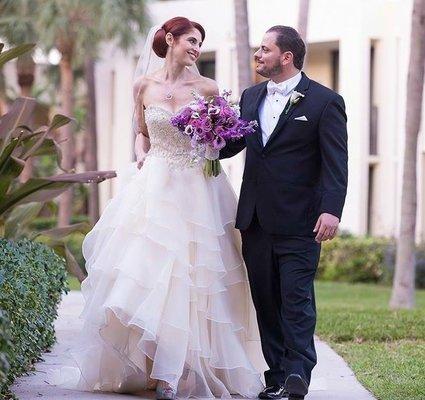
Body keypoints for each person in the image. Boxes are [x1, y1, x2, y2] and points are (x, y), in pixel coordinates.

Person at [50, 17, 264, 400]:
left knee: (198, 276)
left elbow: (222, 136)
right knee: (155, 275)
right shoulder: (143, 85)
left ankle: (181, 373)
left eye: (200, 43)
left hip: (199, 187)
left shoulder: (208, 87)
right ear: (170, 40)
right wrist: (140, 155)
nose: (197, 49)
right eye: (191, 41)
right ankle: (153, 368)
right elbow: (141, 133)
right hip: (157, 185)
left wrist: (212, 141)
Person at [220, 26, 348, 400]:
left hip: (301, 221)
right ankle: (275, 374)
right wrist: (205, 134)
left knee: (296, 299)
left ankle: (297, 374)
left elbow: (335, 162)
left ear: (286, 57)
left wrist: (331, 210)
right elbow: (234, 145)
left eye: (264, 49)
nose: (258, 55)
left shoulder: (325, 102)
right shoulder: (250, 96)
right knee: (266, 300)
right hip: (255, 219)